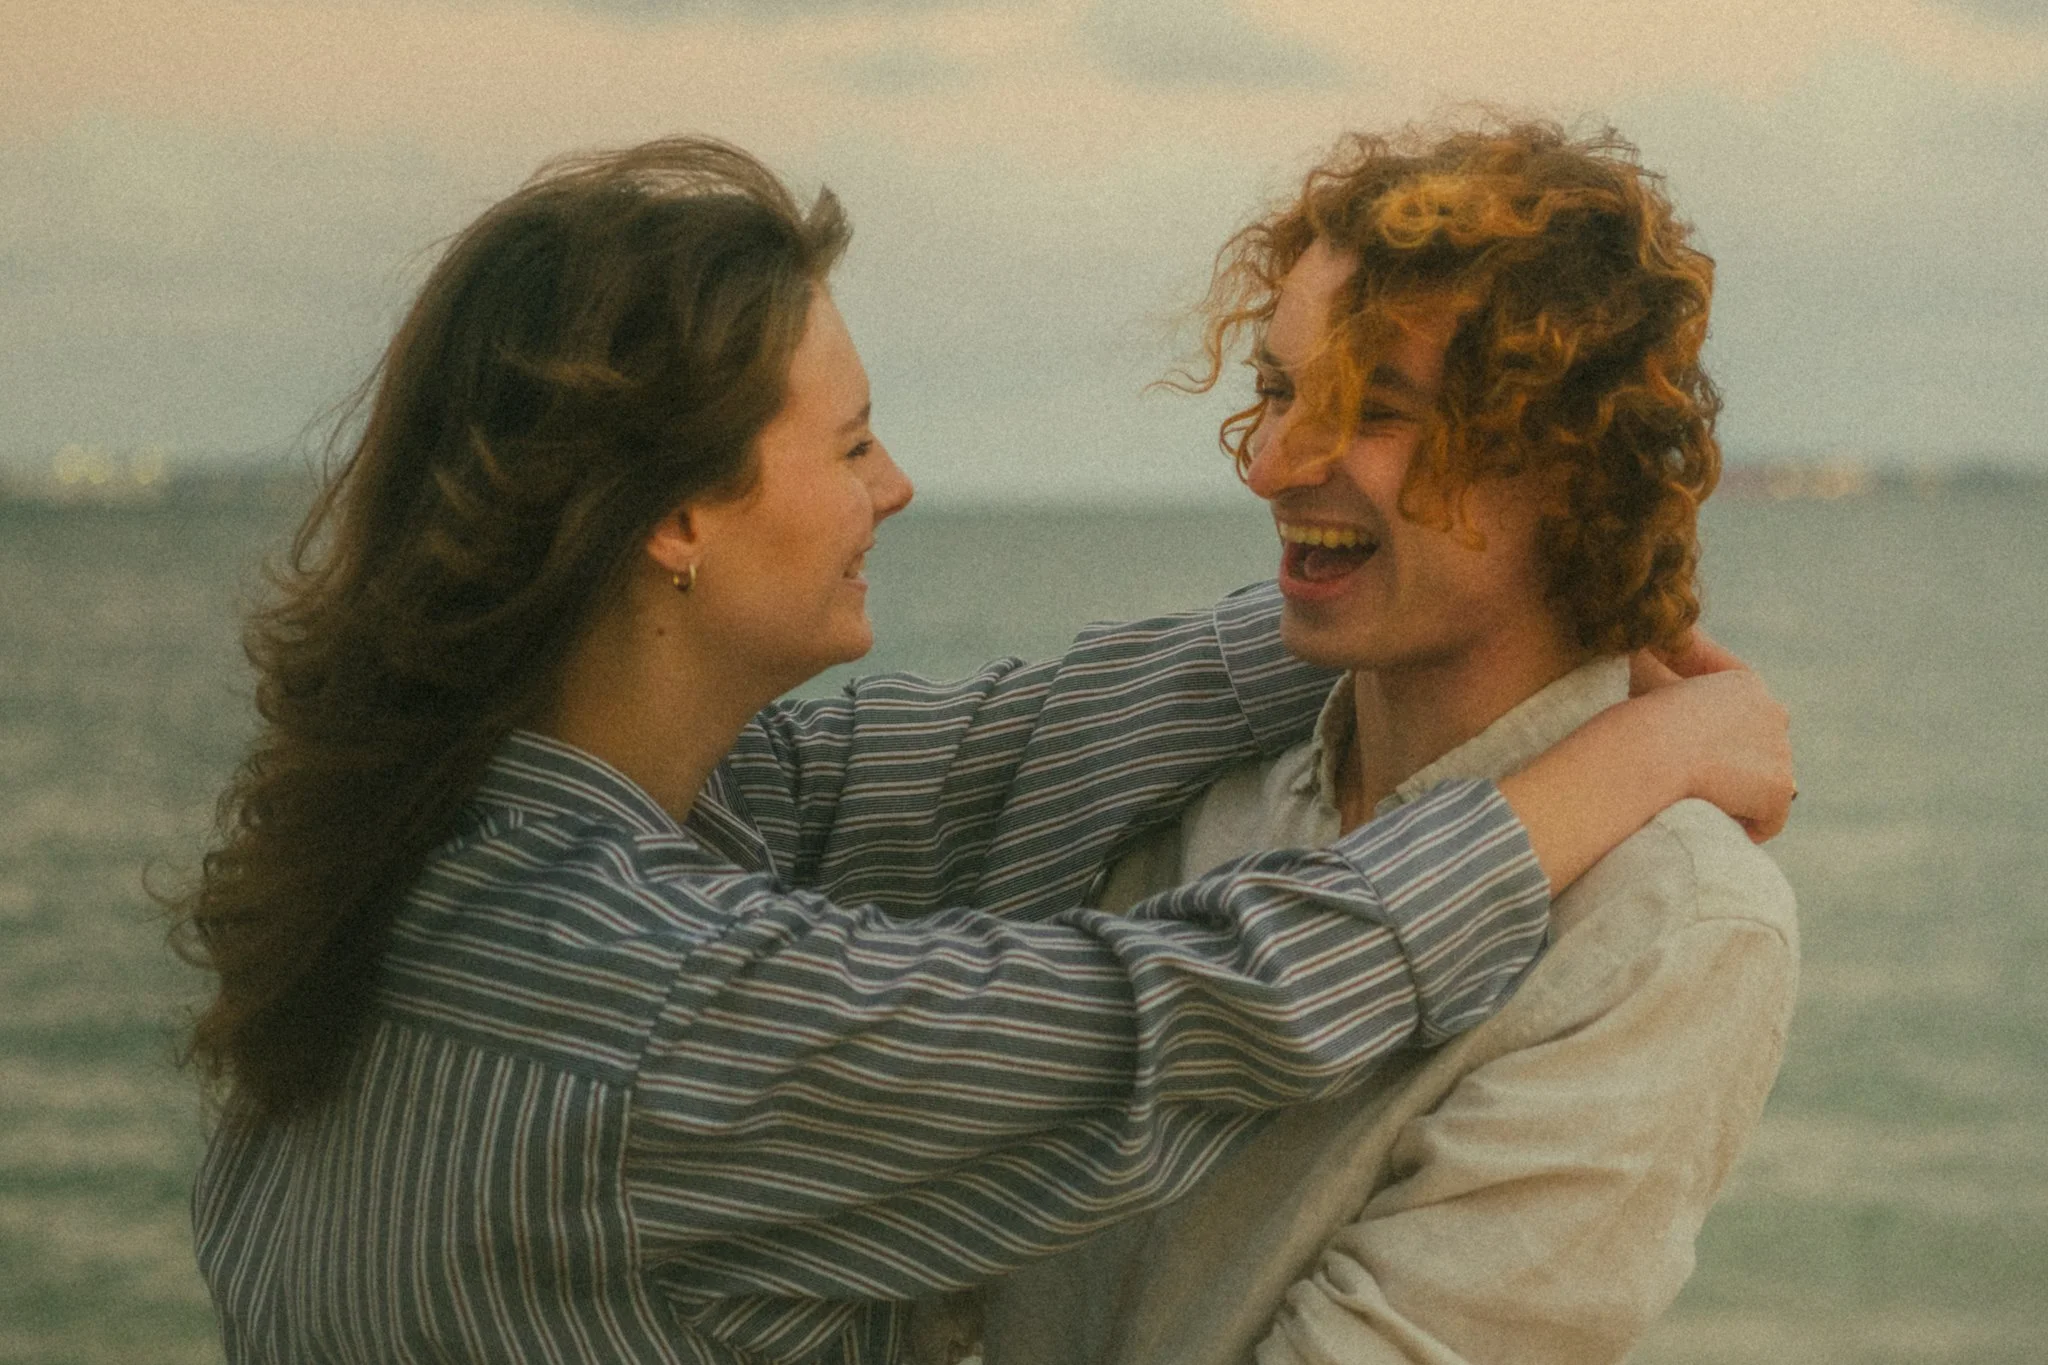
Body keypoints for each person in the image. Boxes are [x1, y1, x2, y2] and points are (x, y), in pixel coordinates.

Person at [168, 136, 1793, 1364]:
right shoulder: (650, 998)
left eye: (1366, 410)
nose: (897, 486)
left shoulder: (489, 838)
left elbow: (1009, 744)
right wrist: (1632, 758)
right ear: (671, 521)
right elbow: (1189, 1016)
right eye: (853, 440)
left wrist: (1486, 586)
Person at [973, 121, 1798, 1365]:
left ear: (1571, 465)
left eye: (1371, 409)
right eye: (1275, 389)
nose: (1268, 464)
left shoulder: (1667, 921)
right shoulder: (1193, 777)